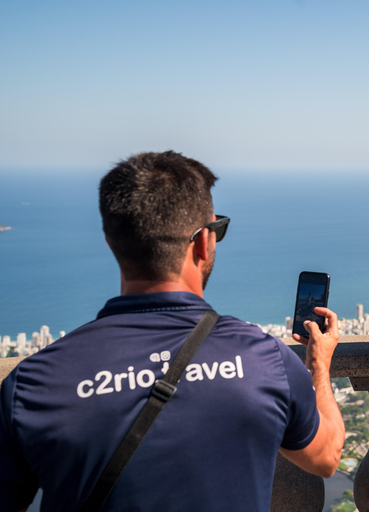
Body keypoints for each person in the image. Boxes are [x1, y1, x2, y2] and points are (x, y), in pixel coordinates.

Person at [0, 151, 345, 512]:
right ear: (203, 243)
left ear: (111, 243)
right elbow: (326, 457)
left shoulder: (33, 385)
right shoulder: (263, 359)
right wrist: (319, 367)